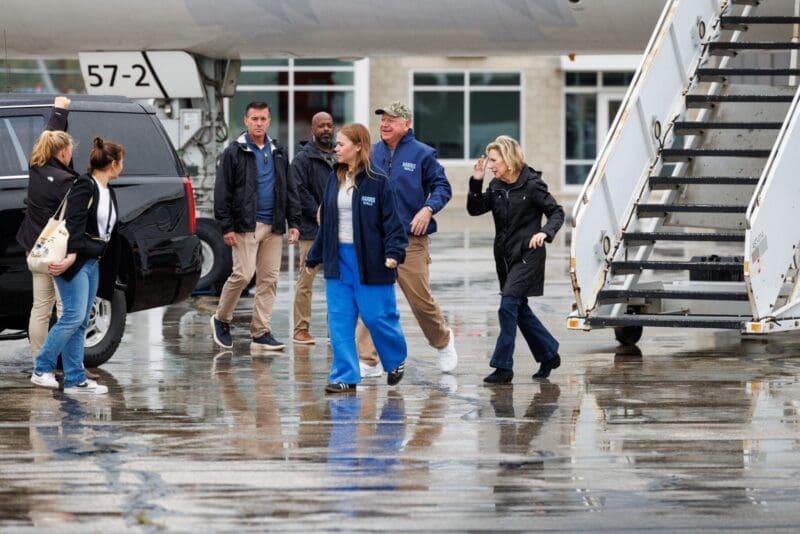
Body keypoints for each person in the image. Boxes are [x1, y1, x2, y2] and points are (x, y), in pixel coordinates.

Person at [357, 101, 457, 378]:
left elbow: (442, 187)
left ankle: (443, 340)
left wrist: (428, 208)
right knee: (371, 300)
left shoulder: (423, 154)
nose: (385, 124)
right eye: (382, 120)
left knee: (420, 301)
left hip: (409, 241)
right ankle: (368, 359)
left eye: (392, 120)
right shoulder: (372, 153)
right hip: (375, 240)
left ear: (406, 124)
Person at [306, 123, 409, 393]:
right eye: (336, 144)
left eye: (341, 144)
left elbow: (393, 224)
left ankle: (395, 358)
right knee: (339, 321)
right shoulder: (334, 178)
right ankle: (345, 376)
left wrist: (394, 253)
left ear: (358, 146)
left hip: (372, 262)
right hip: (338, 261)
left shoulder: (379, 182)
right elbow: (327, 222)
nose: (336, 148)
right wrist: (315, 255)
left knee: (377, 317)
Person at [30, 137, 127, 395]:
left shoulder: (108, 191)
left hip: (93, 261)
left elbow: (108, 232)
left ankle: (75, 380)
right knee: (72, 317)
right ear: (113, 163)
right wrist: (72, 254)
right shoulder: (85, 184)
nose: (122, 166)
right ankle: (42, 368)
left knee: (81, 320)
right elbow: (74, 221)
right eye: (121, 161)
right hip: (75, 260)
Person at [467, 135, 565, 384]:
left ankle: (503, 367)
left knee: (508, 306)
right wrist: (476, 181)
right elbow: (475, 209)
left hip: (528, 255)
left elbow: (556, 212)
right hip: (504, 257)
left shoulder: (532, 184)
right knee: (519, 309)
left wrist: (545, 232)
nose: (490, 165)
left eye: (493, 160)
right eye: (488, 160)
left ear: (508, 160)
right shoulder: (496, 185)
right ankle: (549, 354)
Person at [210, 101, 301, 352]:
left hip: (273, 226)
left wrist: (294, 222)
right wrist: (226, 227)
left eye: (263, 119)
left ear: (269, 121)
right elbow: (222, 192)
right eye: (254, 119)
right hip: (244, 226)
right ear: (246, 121)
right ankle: (221, 318)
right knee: (243, 274)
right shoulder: (233, 152)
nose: (259, 123)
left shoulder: (278, 151)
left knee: (269, 279)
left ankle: (261, 332)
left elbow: (289, 188)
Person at [16, 96, 78, 366]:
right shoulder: (67, 181)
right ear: (62, 153)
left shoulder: (36, 168)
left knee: (40, 309)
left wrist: (58, 112)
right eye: (70, 149)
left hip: (35, 250)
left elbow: (47, 138)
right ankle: (66, 363)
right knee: (67, 312)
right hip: (58, 255)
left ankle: (39, 362)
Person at [291, 111, 336, 345]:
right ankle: (301, 329)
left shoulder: (341, 155)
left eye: (329, 125)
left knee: (336, 281)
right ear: (312, 130)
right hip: (311, 230)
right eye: (321, 126)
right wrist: (318, 211)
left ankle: (334, 329)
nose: (326, 129)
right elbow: (298, 190)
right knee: (306, 281)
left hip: (338, 230)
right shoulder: (303, 159)